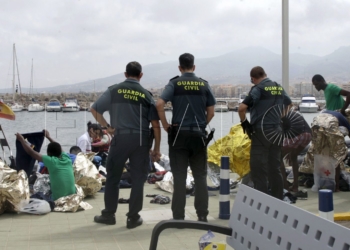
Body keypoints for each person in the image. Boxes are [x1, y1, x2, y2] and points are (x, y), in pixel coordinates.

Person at [90, 61, 161, 229]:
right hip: (141, 141)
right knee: (138, 179)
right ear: (140, 75)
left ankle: (109, 215)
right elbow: (155, 124)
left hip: (120, 139)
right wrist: (157, 149)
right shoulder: (146, 95)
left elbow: (94, 110)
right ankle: (133, 218)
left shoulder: (114, 90)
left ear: (125, 74)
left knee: (113, 177)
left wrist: (107, 128)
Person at [156, 53, 216, 222]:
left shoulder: (174, 83)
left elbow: (159, 104)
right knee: (200, 176)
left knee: (180, 177)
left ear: (180, 68)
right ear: (194, 67)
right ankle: (202, 215)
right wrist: (201, 125)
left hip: (178, 136)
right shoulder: (204, 85)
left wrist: (166, 125)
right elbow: (211, 112)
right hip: (198, 136)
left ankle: (178, 217)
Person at [238, 66, 292, 200]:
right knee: (275, 168)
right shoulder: (278, 87)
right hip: (277, 132)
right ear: (265, 74)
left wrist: (245, 123)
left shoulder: (258, 89)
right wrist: (280, 117)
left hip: (261, 132)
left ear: (253, 78)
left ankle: (262, 202)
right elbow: (289, 104)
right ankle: (278, 200)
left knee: (258, 169)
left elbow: (242, 108)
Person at [15, 130, 76, 200]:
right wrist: (48, 137)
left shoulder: (51, 161)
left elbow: (32, 152)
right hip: (72, 196)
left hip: (58, 198)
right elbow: (58, 147)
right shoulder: (67, 158)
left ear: (49, 154)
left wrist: (22, 140)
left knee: (35, 196)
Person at [281, 114, 312, 193]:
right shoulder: (294, 113)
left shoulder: (279, 116)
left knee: (279, 158)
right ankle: (295, 186)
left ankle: (285, 187)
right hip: (308, 135)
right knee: (293, 157)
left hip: (296, 135)